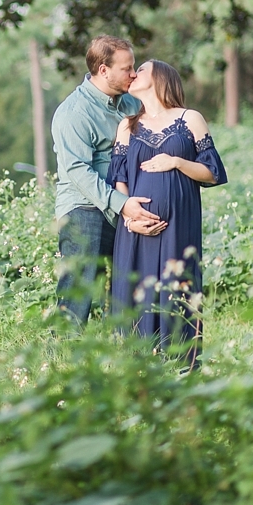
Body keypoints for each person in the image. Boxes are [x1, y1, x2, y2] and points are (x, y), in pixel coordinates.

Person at [108, 60, 227, 369]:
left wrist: (176, 162)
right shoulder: (127, 125)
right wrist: (130, 218)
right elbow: (119, 178)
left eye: (141, 69)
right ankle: (136, 376)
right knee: (136, 298)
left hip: (179, 226)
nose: (133, 74)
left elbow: (212, 172)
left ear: (160, 77)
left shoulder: (190, 119)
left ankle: (181, 372)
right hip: (135, 229)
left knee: (177, 291)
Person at [51, 36, 164, 328]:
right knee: (81, 291)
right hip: (84, 209)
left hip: (124, 207)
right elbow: (77, 170)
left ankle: (120, 359)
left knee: (125, 290)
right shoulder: (74, 112)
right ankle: (62, 360)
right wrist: (123, 205)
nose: (134, 73)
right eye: (127, 68)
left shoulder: (130, 103)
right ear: (103, 70)